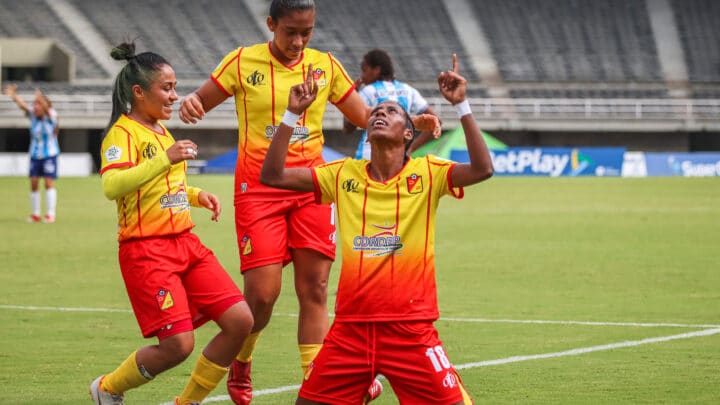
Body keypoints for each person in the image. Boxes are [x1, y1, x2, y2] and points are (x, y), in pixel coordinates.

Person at [178, 0, 438, 403]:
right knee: (262, 296)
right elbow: (197, 101)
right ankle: (242, 359)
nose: (299, 42)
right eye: (290, 32)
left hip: (312, 187)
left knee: (314, 289)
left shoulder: (325, 66)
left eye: (307, 32)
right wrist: (191, 104)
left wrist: (412, 123)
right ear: (271, 25)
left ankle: (317, 386)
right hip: (259, 189)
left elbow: (365, 115)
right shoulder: (242, 62)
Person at [261, 54, 491, 404]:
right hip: (350, 330)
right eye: (376, 112)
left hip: (410, 330)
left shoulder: (429, 174)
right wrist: (292, 115)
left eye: (392, 112)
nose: (380, 113)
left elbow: (483, 169)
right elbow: (273, 176)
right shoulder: (341, 175)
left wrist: (461, 105)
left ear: (409, 134)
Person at [90, 41, 254, 405]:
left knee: (241, 320)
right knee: (178, 345)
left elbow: (164, 185)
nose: (175, 96)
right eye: (167, 88)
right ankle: (107, 389)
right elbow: (112, 185)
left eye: (175, 87)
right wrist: (166, 158)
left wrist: (196, 196)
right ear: (139, 91)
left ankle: (187, 402)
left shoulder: (162, 132)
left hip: (186, 242)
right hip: (147, 250)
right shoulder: (122, 133)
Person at [343, 48, 439, 160]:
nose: (362, 77)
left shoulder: (368, 91)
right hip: (398, 159)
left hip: (368, 157)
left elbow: (348, 128)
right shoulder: (408, 90)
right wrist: (411, 148)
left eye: (364, 70)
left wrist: (352, 94)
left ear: (376, 70)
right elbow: (436, 121)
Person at [4, 84, 60, 223]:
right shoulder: (34, 116)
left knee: (48, 182)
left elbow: (47, 110)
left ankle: (50, 214)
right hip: (35, 155)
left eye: (38, 104)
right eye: (34, 104)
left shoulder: (51, 115)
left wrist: (40, 98)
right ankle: (35, 214)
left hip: (50, 155)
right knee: (34, 182)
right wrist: (14, 96)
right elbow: (23, 106)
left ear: (45, 105)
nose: (35, 107)